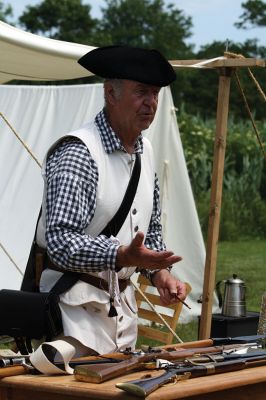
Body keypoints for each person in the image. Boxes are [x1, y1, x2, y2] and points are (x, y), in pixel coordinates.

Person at [36, 45, 187, 357]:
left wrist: (159, 272)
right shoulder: (79, 152)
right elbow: (59, 241)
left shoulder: (146, 152)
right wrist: (121, 254)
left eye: (156, 93)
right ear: (110, 93)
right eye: (141, 91)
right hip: (71, 318)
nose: (151, 103)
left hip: (120, 317)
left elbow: (150, 228)